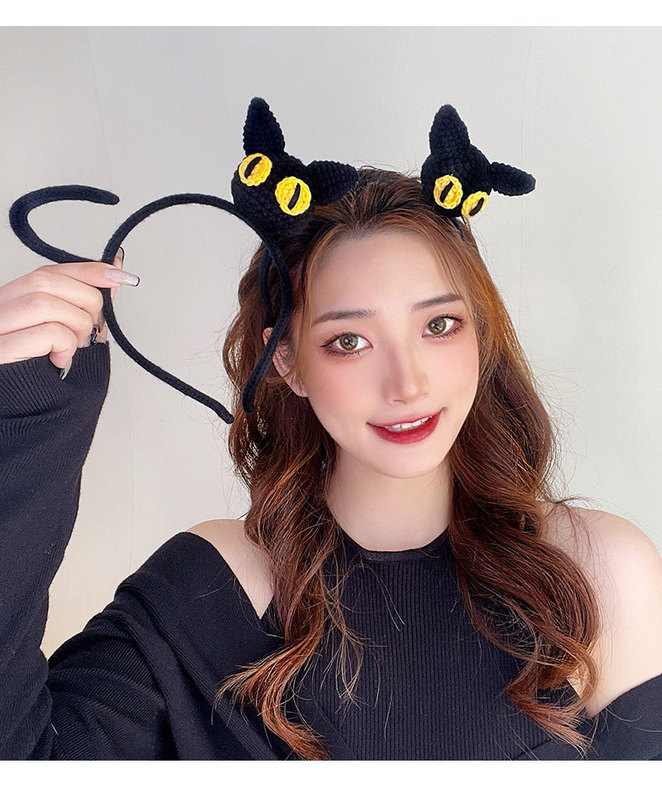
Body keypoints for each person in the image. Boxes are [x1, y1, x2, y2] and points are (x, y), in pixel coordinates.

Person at [1, 165, 661, 759]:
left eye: (438, 325)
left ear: (481, 335)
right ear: (286, 361)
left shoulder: (598, 575)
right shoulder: (213, 588)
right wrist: (26, 413)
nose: (407, 384)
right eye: (349, 340)